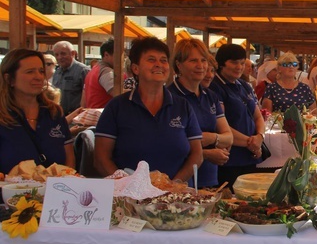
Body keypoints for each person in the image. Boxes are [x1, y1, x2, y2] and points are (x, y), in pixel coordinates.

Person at [94, 37, 203, 182]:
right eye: (151, 60)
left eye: (163, 60)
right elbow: (101, 159)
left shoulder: (183, 107)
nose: (159, 65)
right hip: (129, 198)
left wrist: (173, 185)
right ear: (135, 68)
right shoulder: (117, 107)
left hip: (175, 199)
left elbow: (197, 154)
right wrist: (128, 186)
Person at [168, 39, 233, 189]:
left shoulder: (210, 96)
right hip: (179, 180)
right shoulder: (170, 97)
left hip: (209, 178)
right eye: (193, 61)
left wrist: (210, 138)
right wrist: (208, 153)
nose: (201, 66)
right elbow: (173, 144)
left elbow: (228, 138)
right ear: (179, 65)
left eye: (203, 60)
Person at [0, 49, 75, 175]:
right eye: (30, 72)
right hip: (10, 193)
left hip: (54, 192)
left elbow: (69, 160)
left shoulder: (54, 113)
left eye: (41, 71)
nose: (39, 77)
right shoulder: (3, 117)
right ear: (9, 79)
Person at [209, 43, 266, 190]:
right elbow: (220, 124)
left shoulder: (244, 85)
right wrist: (251, 143)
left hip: (250, 156)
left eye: (242, 63)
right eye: (234, 62)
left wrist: (260, 137)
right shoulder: (214, 87)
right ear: (221, 64)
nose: (239, 67)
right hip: (229, 158)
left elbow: (258, 117)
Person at [51, 40, 90, 115]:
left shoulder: (83, 71)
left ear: (73, 53)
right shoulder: (57, 72)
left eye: (63, 54)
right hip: (60, 116)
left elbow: (88, 96)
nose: (59, 57)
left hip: (75, 118)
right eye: (56, 55)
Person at [83, 39, 116, 109]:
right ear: (106, 55)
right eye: (119, 55)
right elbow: (118, 94)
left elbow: (83, 101)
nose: (123, 59)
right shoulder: (106, 71)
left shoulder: (94, 69)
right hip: (103, 115)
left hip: (92, 114)